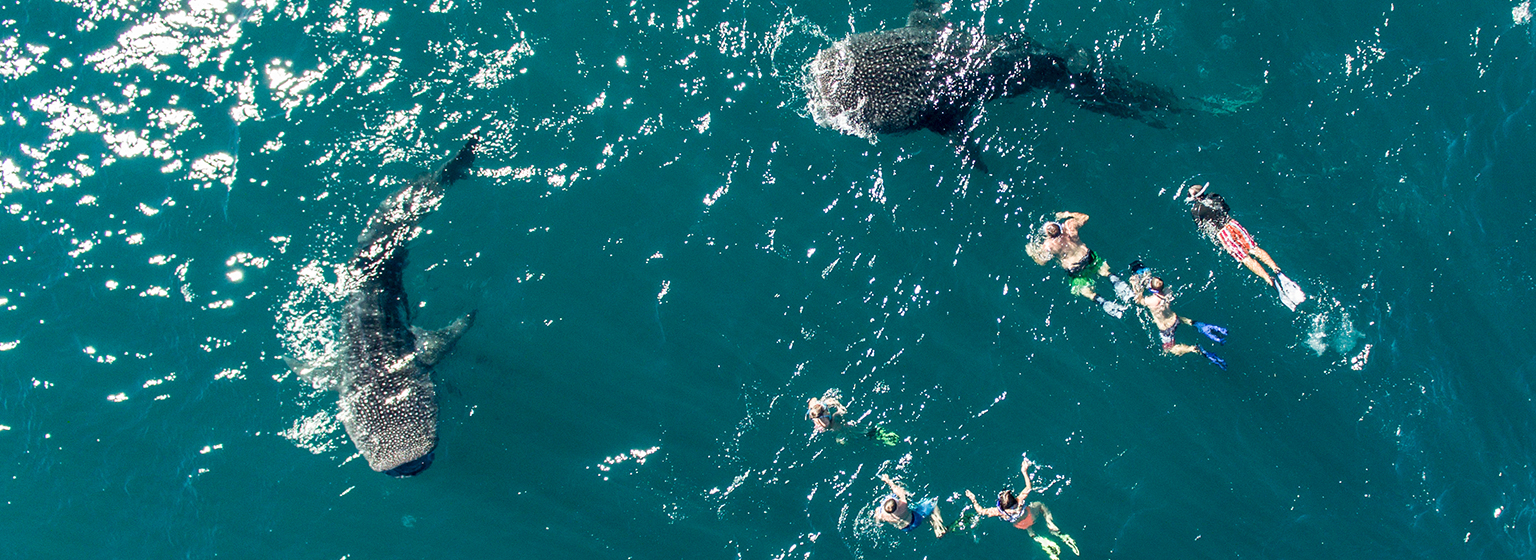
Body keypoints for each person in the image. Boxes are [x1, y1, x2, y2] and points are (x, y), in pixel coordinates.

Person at [1185, 183, 1306, 309]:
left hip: (1222, 233)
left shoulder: (1195, 210)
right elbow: (1226, 208)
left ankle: (1270, 281)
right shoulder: (1214, 196)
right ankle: (1277, 270)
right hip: (1233, 224)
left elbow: (1203, 227)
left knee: (1244, 257)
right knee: (1254, 248)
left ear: (1194, 198)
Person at [964, 457, 1079, 560]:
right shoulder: (1019, 501)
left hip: (1021, 525)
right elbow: (1028, 487)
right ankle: (1050, 524)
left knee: (1030, 530)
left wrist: (973, 499)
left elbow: (981, 511)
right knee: (1039, 504)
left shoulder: (1000, 512)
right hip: (1031, 515)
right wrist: (1024, 471)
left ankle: (1038, 538)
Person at [1026, 211, 1129, 317]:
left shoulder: (1048, 245)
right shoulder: (1070, 226)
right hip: (1088, 258)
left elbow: (1041, 261)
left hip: (1075, 269)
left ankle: (1103, 302)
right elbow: (1086, 217)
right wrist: (1067, 214)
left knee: (1086, 292)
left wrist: (1030, 251)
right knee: (1105, 271)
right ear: (1059, 227)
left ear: (1047, 235)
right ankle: (1117, 282)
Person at [1128, 264, 1228, 369]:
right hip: (1175, 319)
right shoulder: (1168, 290)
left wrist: (1135, 284)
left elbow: (1138, 300)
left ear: (1152, 290)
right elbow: (1157, 287)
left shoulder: (1151, 301)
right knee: (1181, 319)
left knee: (1168, 350)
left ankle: (1195, 349)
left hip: (1166, 328)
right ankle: (1196, 324)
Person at [874, 473, 947, 538]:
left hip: (905, 528)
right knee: (932, 503)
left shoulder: (883, 515)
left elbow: (877, 518)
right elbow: (900, 492)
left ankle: (933, 523)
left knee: (926, 516)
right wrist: (888, 481)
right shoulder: (903, 505)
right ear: (898, 504)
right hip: (915, 520)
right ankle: (940, 525)